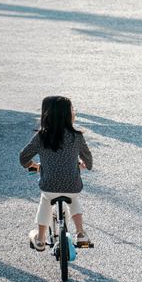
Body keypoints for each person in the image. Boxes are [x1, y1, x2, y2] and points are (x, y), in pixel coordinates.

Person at [19, 95, 93, 252]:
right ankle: (81, 234)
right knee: (73, 199)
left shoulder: (41, 136)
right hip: (72, 185)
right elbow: (88, 159)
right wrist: (85, 164)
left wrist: (33, 165)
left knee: (45, 200)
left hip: (49, 186)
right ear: (68, 115)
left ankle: (40, 239)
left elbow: (23, 157)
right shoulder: (77, 136)